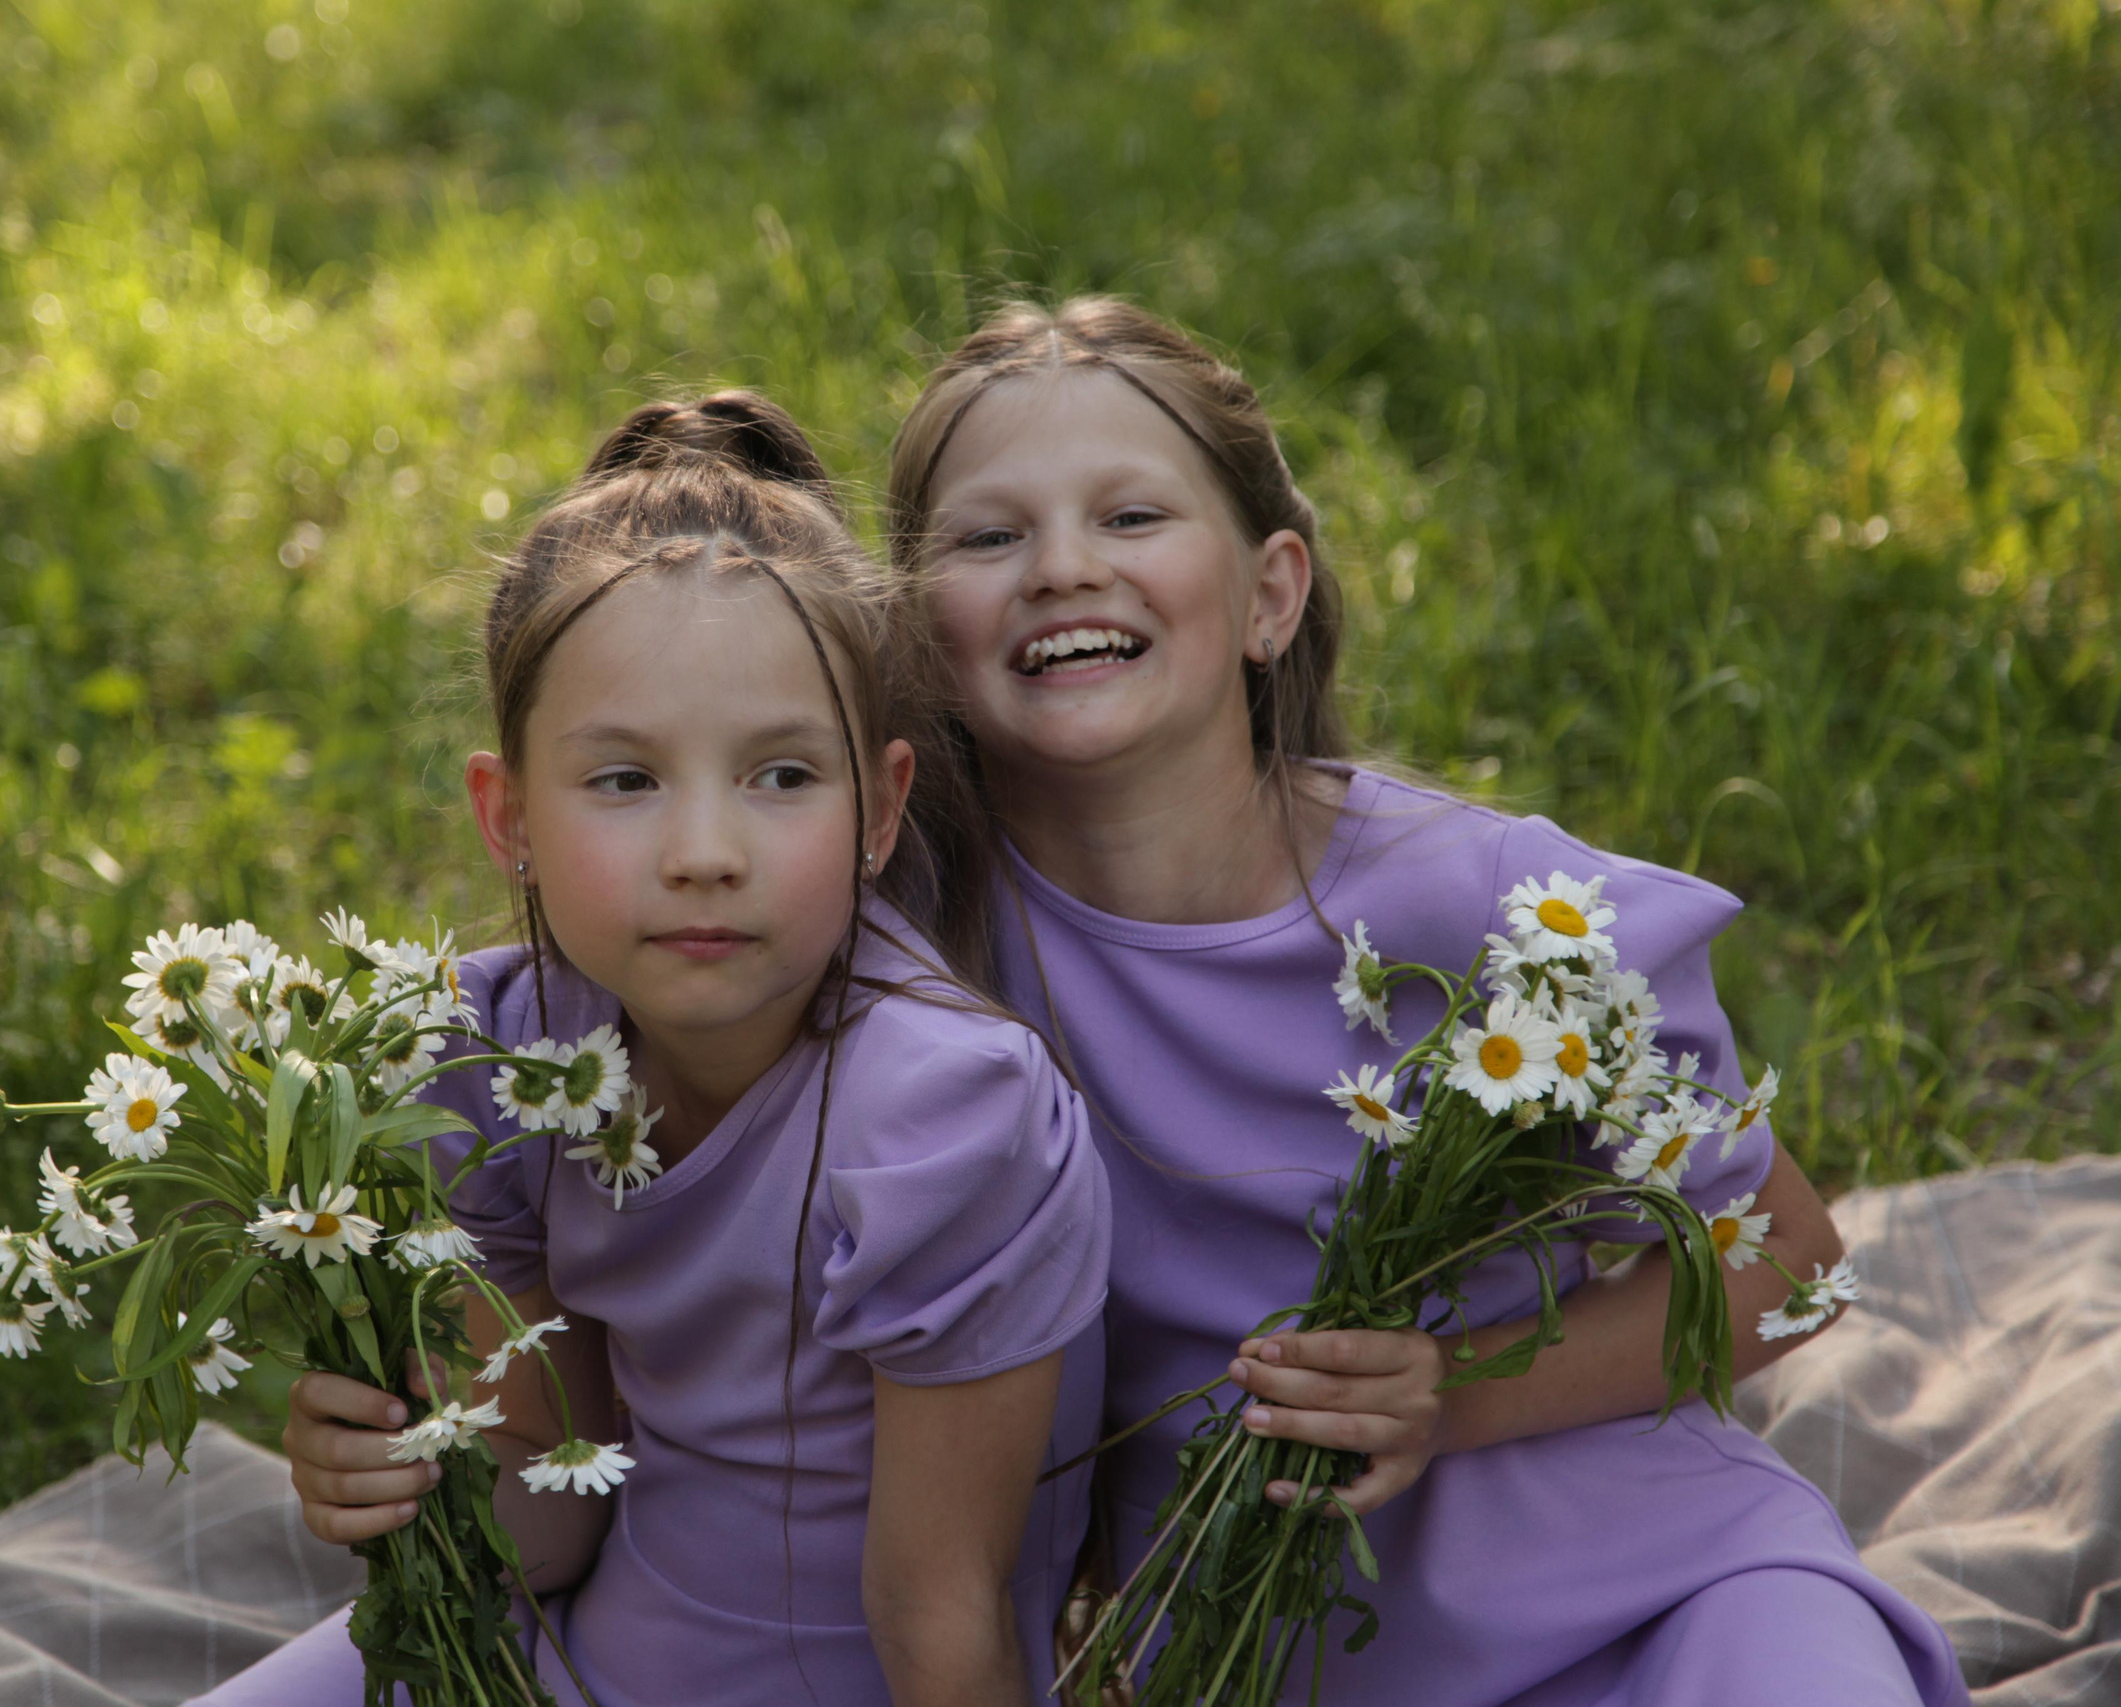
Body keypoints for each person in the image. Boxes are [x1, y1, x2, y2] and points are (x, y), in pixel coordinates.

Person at [883, 297, 1969, 1705]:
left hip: (1655, 1598)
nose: (1062, 567)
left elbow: (1792, 1262)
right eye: (988, 536)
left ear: (1271, 594)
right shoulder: (926, 967)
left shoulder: (1491, 915)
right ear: (916, 632)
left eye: (1133, 517)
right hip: (1274, 1662)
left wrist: (1450, 1391)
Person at [212, 393, 1110, 1707]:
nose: (704, 852)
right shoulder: (496, 1057)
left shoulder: (939, 1118)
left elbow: (940, 1608)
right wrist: (408, 1477)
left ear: (881, 809)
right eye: (625, 780)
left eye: (783, 776)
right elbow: (556, 1510)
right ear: (506, 816)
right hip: (587, 1648)